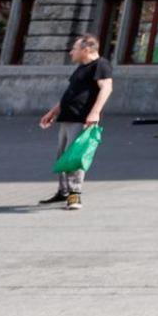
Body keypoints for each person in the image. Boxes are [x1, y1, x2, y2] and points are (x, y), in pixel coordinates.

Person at [37, 35, 113, 210]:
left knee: (75, 156)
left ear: (86, 50)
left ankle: (75, 194)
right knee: (63, 156)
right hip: (68, 116)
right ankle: (63, 191)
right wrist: (53, 112)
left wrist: (95, 113)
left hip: (82, 118)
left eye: (74, 48)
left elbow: (107, 88)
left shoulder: (100, 65)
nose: (71, 52)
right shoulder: (81, 68)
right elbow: (71, 92)